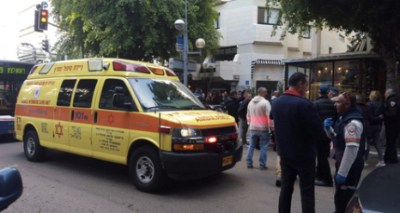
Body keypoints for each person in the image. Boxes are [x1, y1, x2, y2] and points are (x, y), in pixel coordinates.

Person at [270, 72, 325, 213]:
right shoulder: (304, 104)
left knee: (286, 189)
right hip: (304, 156)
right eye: (306, 85)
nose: (307, 89)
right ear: (300, 84)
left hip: (285, 153)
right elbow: (318, 131)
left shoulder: (277, 102)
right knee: (307, 193)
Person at [324, 92, 365, 213]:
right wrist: (328, 130)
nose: (335, 105)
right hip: (342, 161)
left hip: (350, 166)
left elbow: (351, 149)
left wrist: (343, 172)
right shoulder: (344, 118)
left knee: (345, 197)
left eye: (338, 102)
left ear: (347, 104)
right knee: (340, 195)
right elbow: (337, 139)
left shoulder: (353, 123)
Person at [313, 85, 337, 187]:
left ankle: (327, 179)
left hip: (319, 133)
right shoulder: (333, 104)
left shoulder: (315, 104)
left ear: (319, 92)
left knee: (321, 157)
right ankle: (319, 175)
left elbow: (312, 119)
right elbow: (336, 117)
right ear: (328, 93)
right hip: (328, 133)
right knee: (322, 155)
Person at [246, 87, 272, 170]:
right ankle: (262, 165)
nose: (267, 94)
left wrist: (250, 123)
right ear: (263, 93)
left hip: (253, 127)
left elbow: (248, 115)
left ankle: (249, 163)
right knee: (263, 146)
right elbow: (269, 116)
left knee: (251, 146)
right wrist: (270, 127)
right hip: (263, 128)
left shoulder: (250, 102)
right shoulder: (265, 102)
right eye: (266, 92)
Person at [365, 90, 385, 167]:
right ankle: (381, 160)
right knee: (377, 143)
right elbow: (382, 116)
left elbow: (369, 117)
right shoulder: (381, 105)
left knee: (367, 143)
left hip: (369, 126)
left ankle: (365, 160)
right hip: (378, 125)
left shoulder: (369, 105)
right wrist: (379, 118)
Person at [383, 88, 400, 164]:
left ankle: (392, 159)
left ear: (388, 94)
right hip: (394, 124)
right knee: (391, 142)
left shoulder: (391, 101)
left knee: (391, 142)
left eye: (385, 93)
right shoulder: (395, 99)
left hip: (392, 125)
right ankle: (388, 157)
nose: (384, 95)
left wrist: (384, 113)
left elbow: (393, 114)